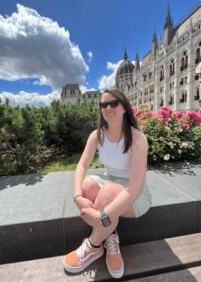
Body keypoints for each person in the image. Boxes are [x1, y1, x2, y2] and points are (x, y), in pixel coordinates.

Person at [63, 88, 152, 279]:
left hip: (136, 195)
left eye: (114, 103)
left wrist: (102, 218)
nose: (108, 108)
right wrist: (78, 197)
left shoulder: (137, 138)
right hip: (109, 180)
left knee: (109, 192)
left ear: (125, 108)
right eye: (104, 104)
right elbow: (82, 165)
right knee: (86, 186)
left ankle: (94, 245)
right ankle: (110, 235)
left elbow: (135, 188)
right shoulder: (97, 135)